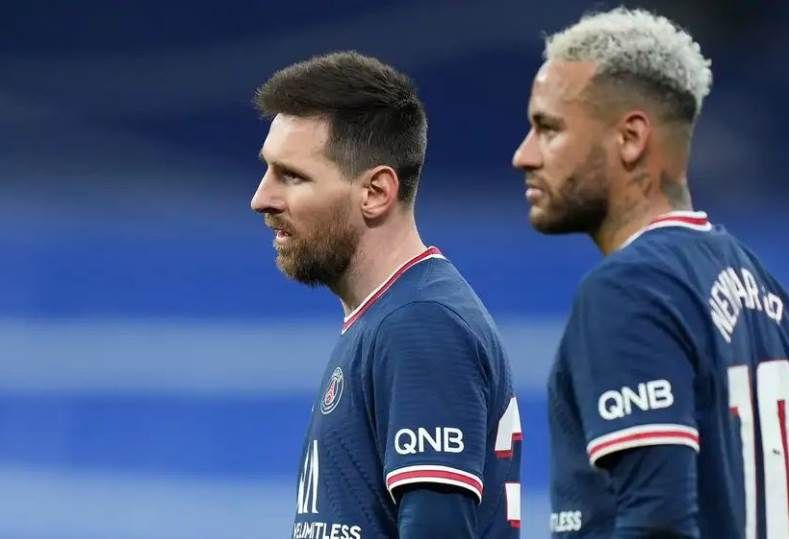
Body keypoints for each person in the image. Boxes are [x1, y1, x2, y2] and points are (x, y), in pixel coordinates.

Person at [512, 7, 789, 539]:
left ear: (631, 138)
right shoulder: (763, 290)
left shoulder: (629, 291)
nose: (523, 155)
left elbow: (657, 523)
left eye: (548, 128)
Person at [251, 51, 522, 538]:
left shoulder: (420, 325)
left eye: (291, 176)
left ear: (376, 192)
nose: (261, 199)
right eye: (268, 171)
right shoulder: (391, 316)